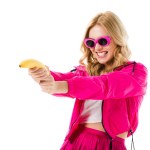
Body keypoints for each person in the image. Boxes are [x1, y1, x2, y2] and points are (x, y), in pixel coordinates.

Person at [28, 11, 148, 150]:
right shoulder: (87, 72)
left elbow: (106, 86)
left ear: (117, 39)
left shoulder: (135, 72)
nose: (97, 48)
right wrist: (43, 74)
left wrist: (58, 86)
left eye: (103, 41)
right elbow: (63, 79)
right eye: (91, 43)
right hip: (76, 141)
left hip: (108, 145)